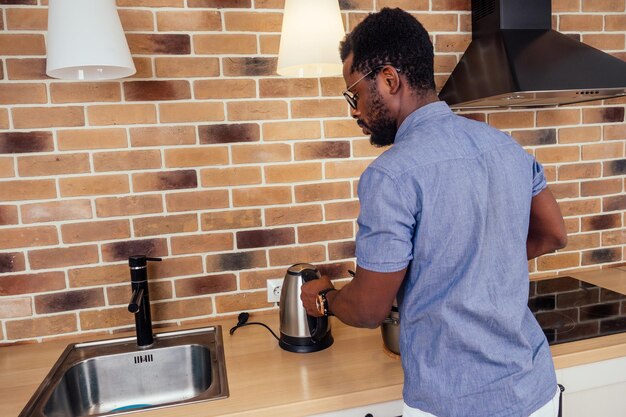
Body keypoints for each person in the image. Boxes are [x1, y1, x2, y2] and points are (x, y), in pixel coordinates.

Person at [300, 7, 568, 417]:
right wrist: (481, 261)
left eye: (353, 94)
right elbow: (553, 235)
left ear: (389, 80)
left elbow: (370, 309)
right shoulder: (507, 148)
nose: (353, 110)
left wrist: (325, 300)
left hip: (455, 405)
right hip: (536, 392)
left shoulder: (390, 176)